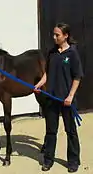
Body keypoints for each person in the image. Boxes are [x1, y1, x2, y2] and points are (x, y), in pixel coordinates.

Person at [34, 22, 83, 173]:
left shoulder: (72, 53)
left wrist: (70, 96)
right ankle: (48, 160)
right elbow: (47, 73)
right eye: (53, 34)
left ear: (66, 36)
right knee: (50, 131)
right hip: (51, 98)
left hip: (67, 100)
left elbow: (77, 77)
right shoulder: (52, 52)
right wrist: (39, 84)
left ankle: (73, 161)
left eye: (57, 35)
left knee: (71, 131)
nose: (54, 37)